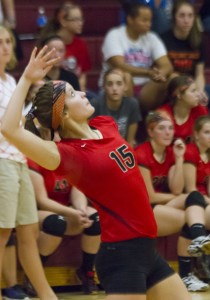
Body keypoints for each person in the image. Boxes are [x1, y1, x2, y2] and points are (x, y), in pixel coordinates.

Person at [0, 45, 195, 300]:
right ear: (64, 112)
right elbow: (9, 129)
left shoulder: (106, 124)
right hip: (122, 257)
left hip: (148, 250)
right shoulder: (68, 154)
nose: (83, 93)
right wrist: (26, 78)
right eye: (72, 94)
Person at [0, 25, 59, 300]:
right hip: (1, 163)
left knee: (28, 232)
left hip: (20, 161)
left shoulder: (11, 82)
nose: (5, 47)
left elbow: (19, 127)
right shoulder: (15, 82)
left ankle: (47, 295)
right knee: (1, 234)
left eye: (8, 41)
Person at [134, 110, 210, 291]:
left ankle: (197, 244)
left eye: (170, 128)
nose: (168, 132)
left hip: (162, 206)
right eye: (162, 128)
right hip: (141, 210)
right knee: (192, 209)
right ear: (150, 131)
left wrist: (178, 159)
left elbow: (177, 188)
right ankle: (196, 246)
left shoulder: (171, 152)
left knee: (193, 205)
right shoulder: (141, 154)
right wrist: (177, 197)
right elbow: (150, 196)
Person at [27, 157, 100, 295]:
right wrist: (72, 212)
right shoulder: (35, 160)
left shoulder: (70, 159)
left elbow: (77, 191)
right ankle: (34, 275)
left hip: (66, 210)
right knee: (56, 223)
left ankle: (87, 271)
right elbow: (42, 201)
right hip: (37, 211)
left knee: (94, 218)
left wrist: (81, 210)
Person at [100, 2, 173, 112]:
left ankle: (157, 117)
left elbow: (167, 65)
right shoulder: (115, 35)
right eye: (144, 20)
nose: (148, 24)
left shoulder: (152, 37)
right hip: (116, 88)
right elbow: (120, 66)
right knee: (126, 76)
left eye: (150, 20)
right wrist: (148, 73)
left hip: (145, 89)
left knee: (171, 77)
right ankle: (127, 119)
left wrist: (160, 74)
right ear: (130, 19)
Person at [160, 0, 210, 107]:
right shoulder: (164, 40)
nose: (186, 20)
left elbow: (199, 74)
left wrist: (199, 92)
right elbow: (166, 75)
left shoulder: (198, 40)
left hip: (193, 87)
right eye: (182, 16)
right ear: (174, 17)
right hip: (171, 88)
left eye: (190, 16)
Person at [38, 1, 92, 96]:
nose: (80, 23)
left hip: (73, 89)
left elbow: (83, 75)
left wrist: (80, 94)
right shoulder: (48, 42)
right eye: (75, 19)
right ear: (63, 21)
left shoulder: (81, 44)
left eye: (81, 19)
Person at [184, 115, 210, 286]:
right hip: (188, 201)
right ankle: (199, 242)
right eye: (207, 132)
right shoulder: (190, 151)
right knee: (194, 196)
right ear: (196, 135)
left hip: (203, 202)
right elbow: (189, 189)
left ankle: (205, 269)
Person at [90, 68, 142, 147]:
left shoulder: (132, 104)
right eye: (110, 84)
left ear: (125, 87)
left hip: (122, 148)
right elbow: (91, 138)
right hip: (101, 148)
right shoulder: (95, 104)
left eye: (119, 84)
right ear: (104, 87)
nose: (114, 88)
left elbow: (130, 141)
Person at [159, 75, 208, 144]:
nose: (198, 95)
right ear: (179, 95)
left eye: (197, 90)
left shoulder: (200, 110)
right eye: (193, 91)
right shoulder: (162, 114)